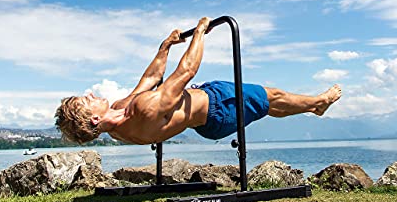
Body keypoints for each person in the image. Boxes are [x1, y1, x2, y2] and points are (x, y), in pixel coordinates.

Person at [55, 17, 342, 145]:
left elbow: (151, 77)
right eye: (88, 100)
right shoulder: (144, 111)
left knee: (267, 104)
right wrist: (201, 31)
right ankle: (319, 103)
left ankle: (312, 107)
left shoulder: (120, 113)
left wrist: (165, 46)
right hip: (219, 109)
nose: (92, 94)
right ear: (94, 120)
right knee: (272, 96)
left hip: (207, 104)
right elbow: (185, 73)